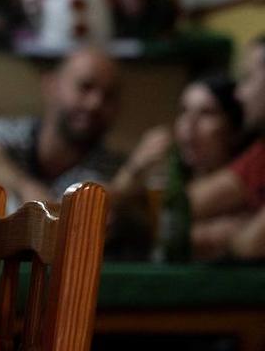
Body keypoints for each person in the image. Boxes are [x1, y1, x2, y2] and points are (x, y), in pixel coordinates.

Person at [0, 47, 123, 210]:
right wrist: (26, 188)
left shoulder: (108, 168)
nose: (95, 103)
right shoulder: (6, 131)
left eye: (109, 96)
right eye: (85, 87)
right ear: (51, 86)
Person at [106, 74, 247, 259]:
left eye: (207, 113)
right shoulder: (163, 181)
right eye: (184, 111)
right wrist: (135, 167)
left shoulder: (246, 188)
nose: (190, 123)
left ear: (234, 128)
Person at [186, 35, 265, 260]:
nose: (239, 94)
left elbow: (250, 245)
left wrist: (233, 232)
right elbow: (183, 207)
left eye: (248, 78)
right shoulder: (260, 152)